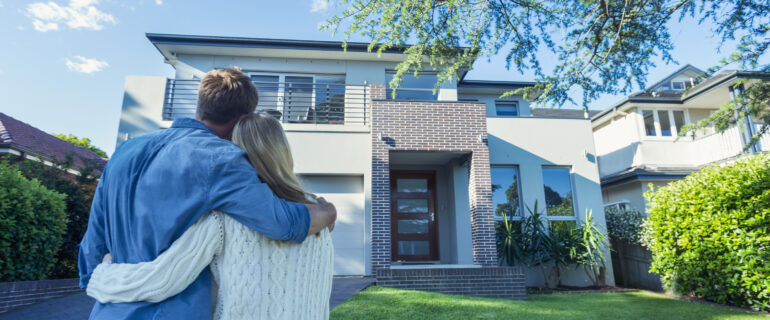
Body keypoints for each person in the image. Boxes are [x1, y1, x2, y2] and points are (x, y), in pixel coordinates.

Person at [77, 69, 337, 319]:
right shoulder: (221, 158)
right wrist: (326, 212)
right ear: (241, 120)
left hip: (107, 309)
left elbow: (93, 243)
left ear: (201, 104)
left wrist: (101, 283)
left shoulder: (125, 151)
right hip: (174, 312)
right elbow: (280, 223)